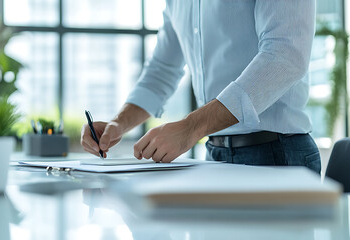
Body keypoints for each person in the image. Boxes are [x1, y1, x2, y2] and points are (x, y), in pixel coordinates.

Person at [81, 0, 321, 173]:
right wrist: (118, 123)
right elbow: (162, 69)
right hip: (215, 155)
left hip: (277, 155)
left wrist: (190, 128)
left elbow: (285, 56)